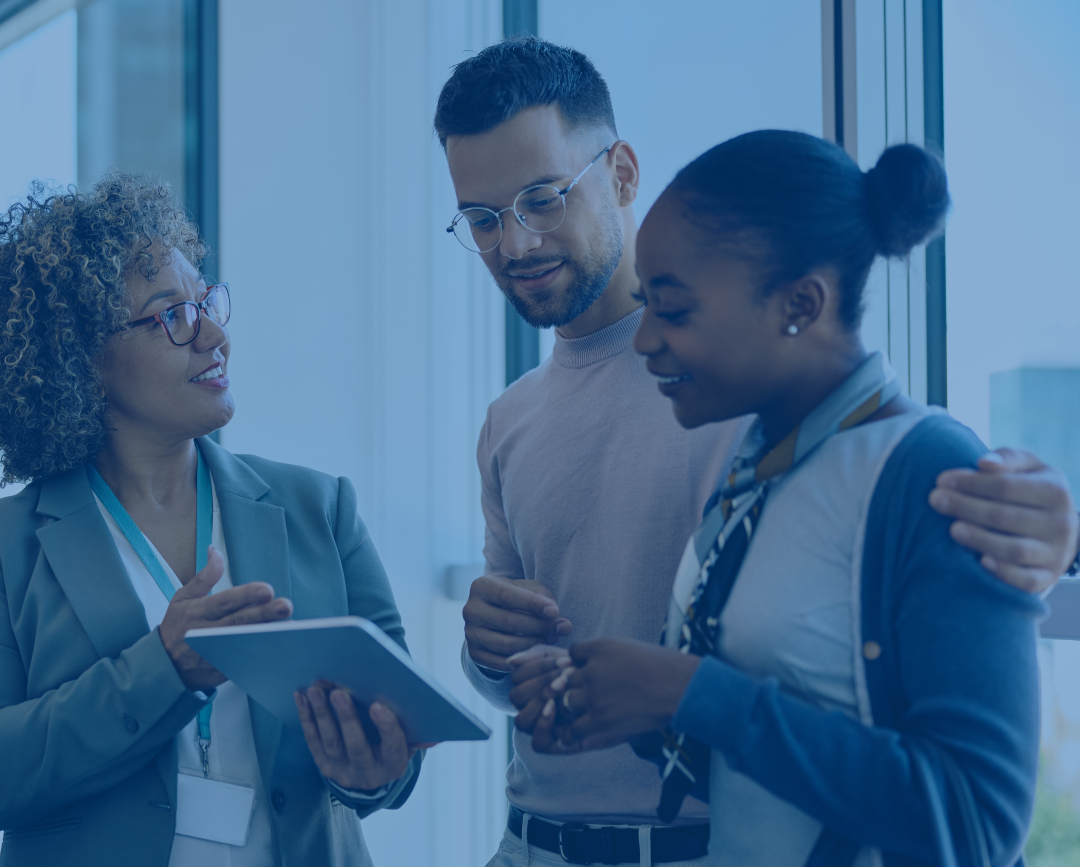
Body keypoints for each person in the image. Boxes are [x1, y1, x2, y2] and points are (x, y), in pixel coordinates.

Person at [435, 37, 1079, 866]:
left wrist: (1057, 530)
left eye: (543, 198)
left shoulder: (788, 412)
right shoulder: (525, 422)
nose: (515, 243)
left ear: (622, 174)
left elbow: (970, 809)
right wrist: (496, 655)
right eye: (484, 219)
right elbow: (705, 691)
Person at [0, 172, 423, 867]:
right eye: (172, 315)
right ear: (80, 355)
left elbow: (399, 736)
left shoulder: (322, 508)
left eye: (206, 300)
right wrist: (161, 668)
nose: (214, 334)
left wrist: (374, 772)